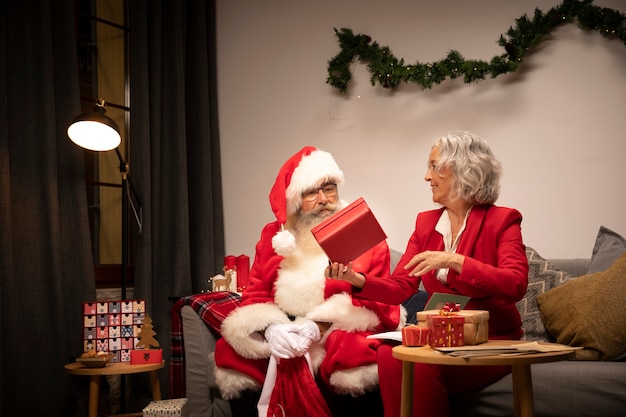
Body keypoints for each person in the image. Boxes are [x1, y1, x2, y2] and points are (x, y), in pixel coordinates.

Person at [328, 131, 529, 417]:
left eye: (435, 166)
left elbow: (516, 283)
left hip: (491, 341)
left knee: (420, 361)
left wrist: (456, 260)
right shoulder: (426, 224)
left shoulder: (503, 220)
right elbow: (400, 286)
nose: (426, 176)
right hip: (443, 338)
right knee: (390, 352)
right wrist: (355, 279)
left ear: (462, 170)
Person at [214, 146, 405, 416]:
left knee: (353, 353)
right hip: (283, 329)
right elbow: (255, 294)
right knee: (231, 352)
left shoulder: (358, 229)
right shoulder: (275, 235)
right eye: (311, 192)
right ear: (296, 199)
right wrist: (271, 328)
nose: (323, 199)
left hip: (335, 330)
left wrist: (318, 327)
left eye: (329, 188)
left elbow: (377, 298)